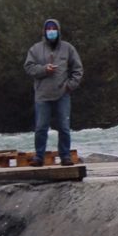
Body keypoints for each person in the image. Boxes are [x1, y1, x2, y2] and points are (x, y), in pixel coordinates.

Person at [24, 18, 83, 167]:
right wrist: (44, 69)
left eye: (53, 28)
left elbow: (78, 69)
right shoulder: (35, 49)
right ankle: (39, 157)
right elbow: (29, 67)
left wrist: (70, 85)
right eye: (48, 29)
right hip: (42, 95)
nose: (51, 31)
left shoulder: (68, 48)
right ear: (44, 31)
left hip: (62, 93)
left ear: (58, 30)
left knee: (64, 126)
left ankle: (65, 156)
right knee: (41, 127)